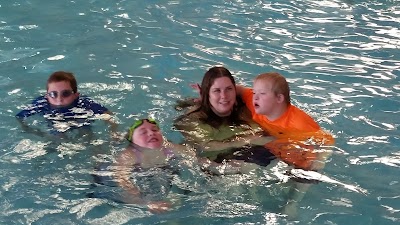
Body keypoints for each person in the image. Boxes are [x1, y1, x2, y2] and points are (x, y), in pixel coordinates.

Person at [236, 72, 335, 218]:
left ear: (279, 98)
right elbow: (239, 90)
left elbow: (328, 141)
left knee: (308, 170)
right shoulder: (254, 102)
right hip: (273, 143)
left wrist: (319, 161)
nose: (255, 97)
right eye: (255, 92)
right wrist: (206, 96)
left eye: (262, 93)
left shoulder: (299, 124)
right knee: (242, 162)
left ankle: (292, 204)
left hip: (295, 149)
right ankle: (252, 199)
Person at [111, 118, 231, 213]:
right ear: (132, 140)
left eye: (154, 129)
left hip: (166, 171)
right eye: (143, 132)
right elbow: (122, 180)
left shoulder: (167, 147)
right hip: (140, 177)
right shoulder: (129, 155)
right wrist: (145, 202)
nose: (151, 133)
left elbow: (195, 158)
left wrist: (218, 167)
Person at [174, 66, 276, 173]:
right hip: (214, 166)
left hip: (249, 157)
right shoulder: (192, 119)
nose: (224, 96)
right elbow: (204, 146)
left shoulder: (246, 110)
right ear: (207, 94)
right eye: (217, 91)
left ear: (235, 90)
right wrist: (243, 141)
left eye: (229, 89)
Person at [15, 71, 116, 137]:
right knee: (57, 137)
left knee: (88, 136)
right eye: (53, 94)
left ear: (76, 95)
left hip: (80, 121)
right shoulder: (41, 103)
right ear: (46, 96)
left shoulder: (83, 103)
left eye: (66, 93)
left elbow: (108, 114)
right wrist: (33, 131)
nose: (59, 99)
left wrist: (114, 132)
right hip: (55, 123)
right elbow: (19, 117)